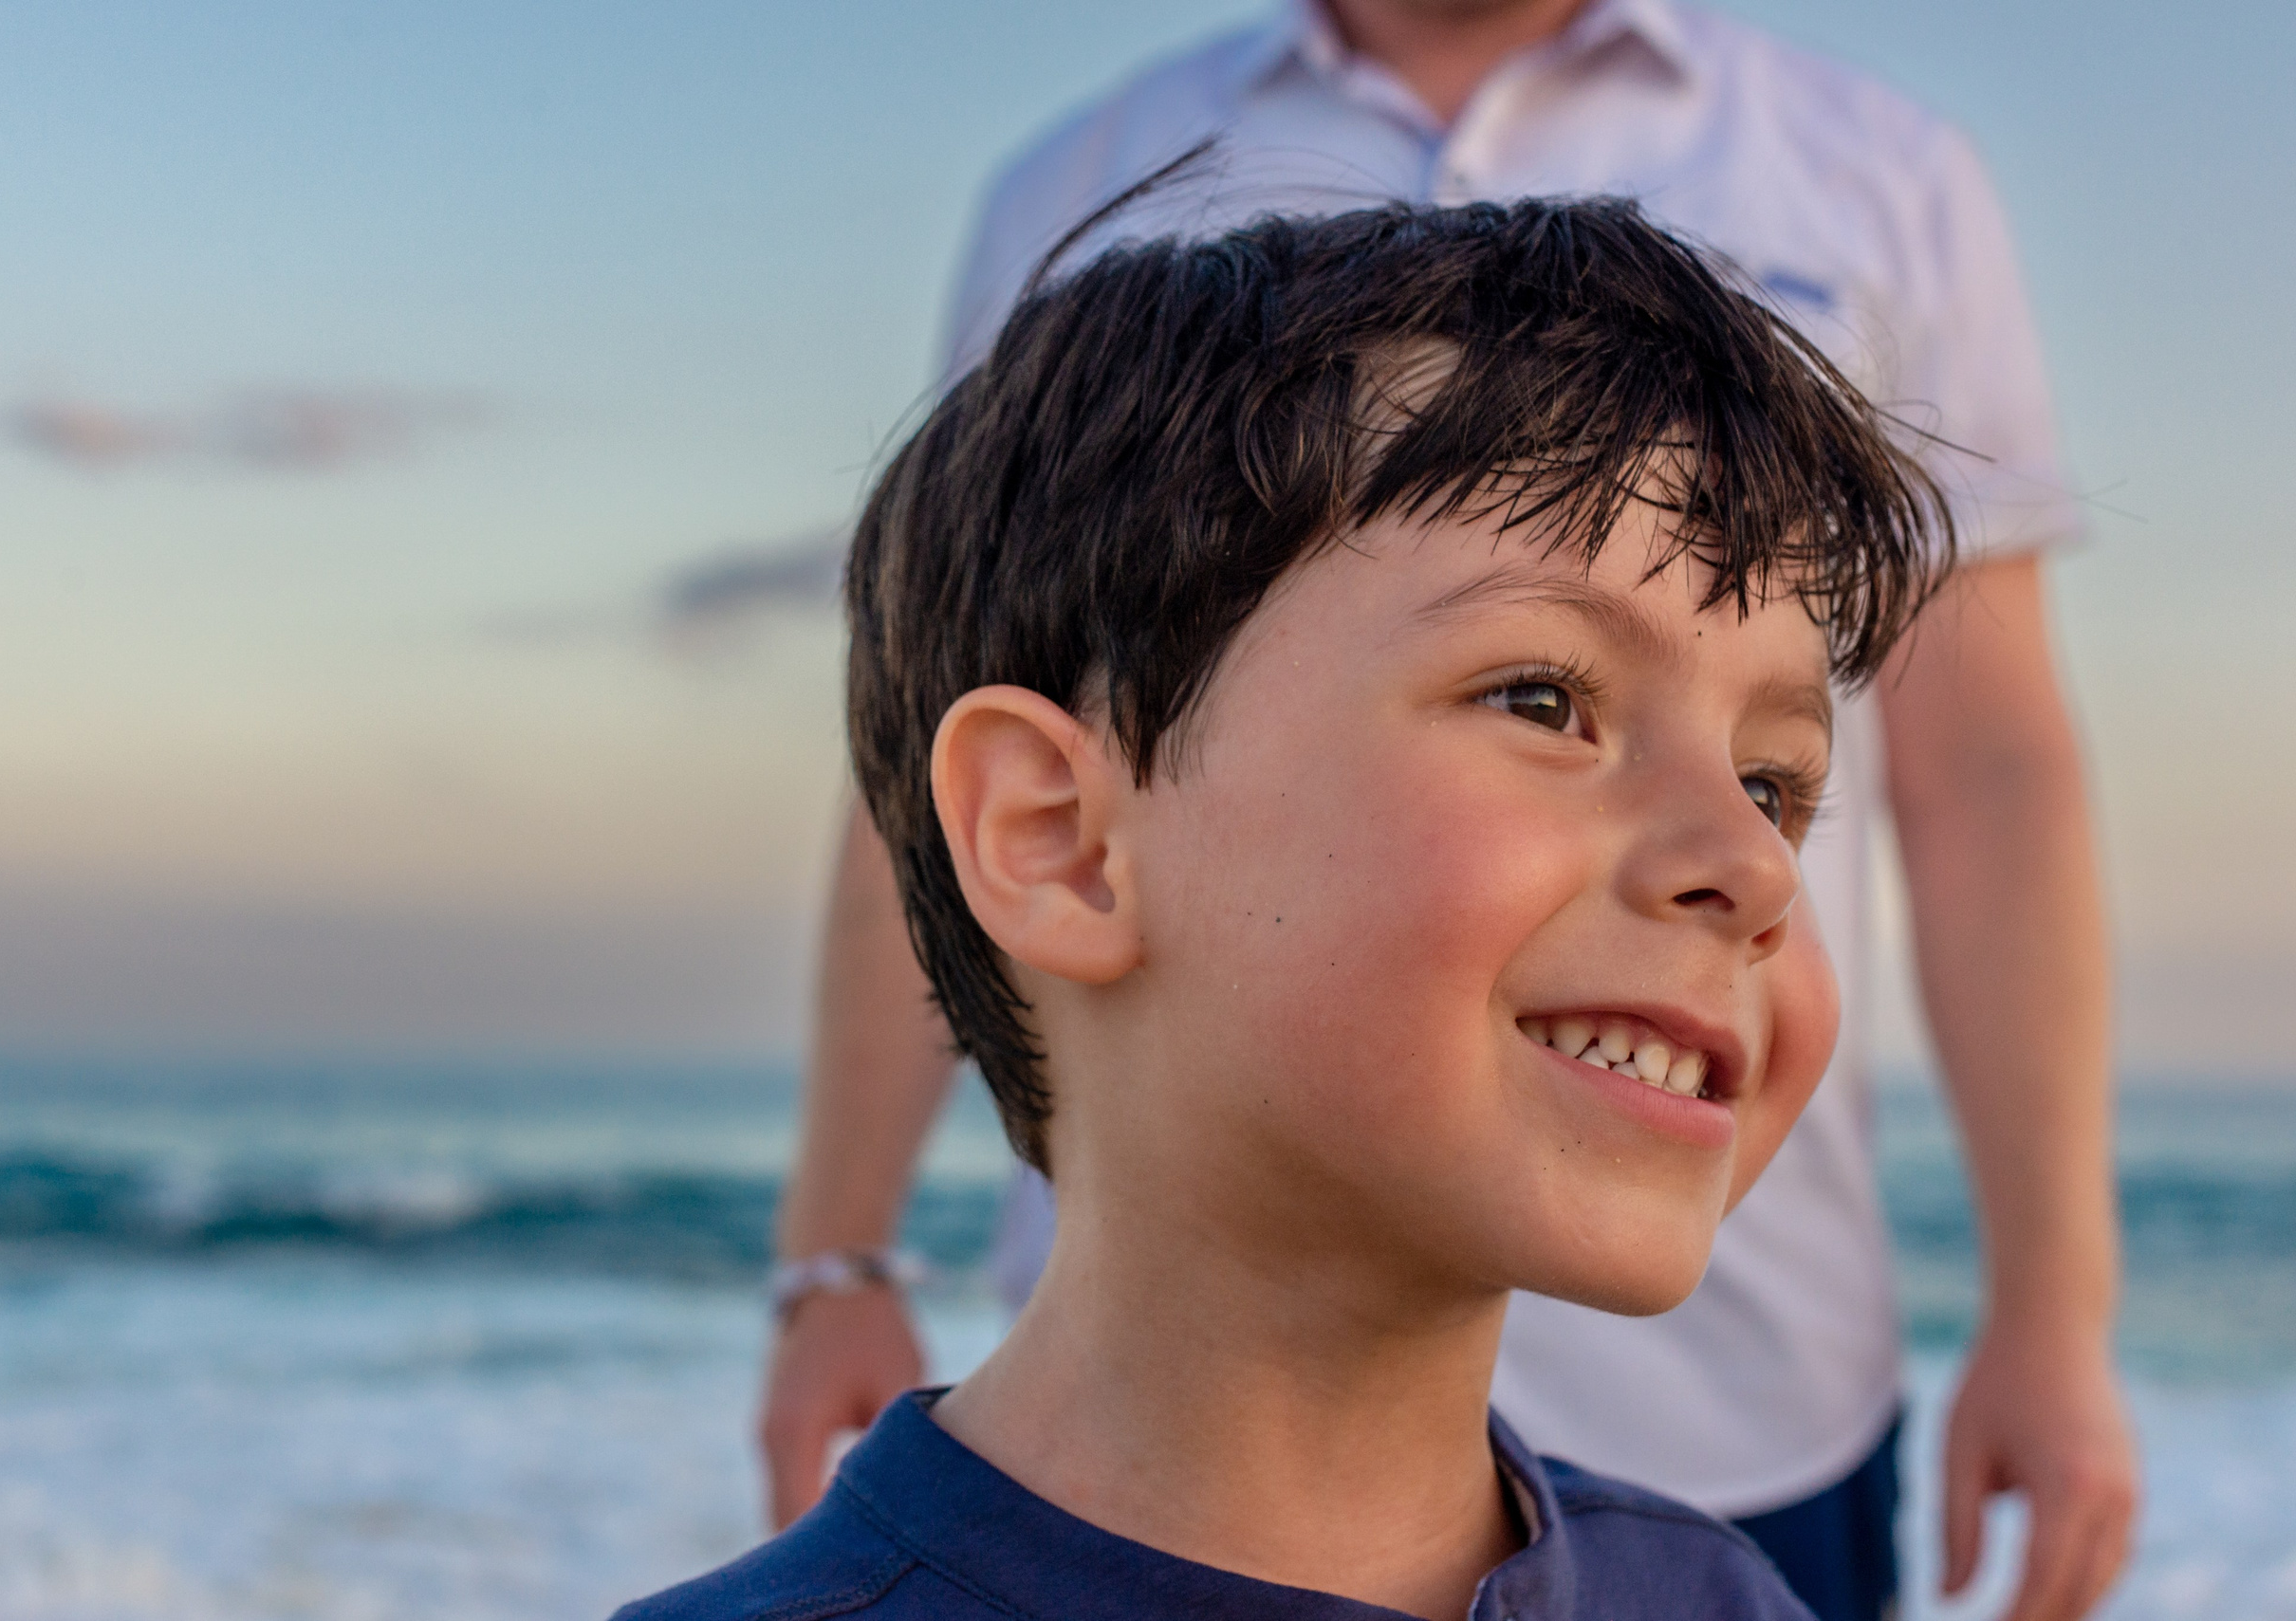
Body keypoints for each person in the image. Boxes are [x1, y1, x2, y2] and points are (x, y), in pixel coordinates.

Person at [762, 7, 2138, 1621]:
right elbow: (955, 704)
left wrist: (2055, 1307)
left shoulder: (1881, 171)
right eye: (1544, 700)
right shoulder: (1077, 182)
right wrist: (835, 1254)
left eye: (1780, 786)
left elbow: (1991, 767)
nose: (1759, 861)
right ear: (1056, 839)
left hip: (1759, 1400)